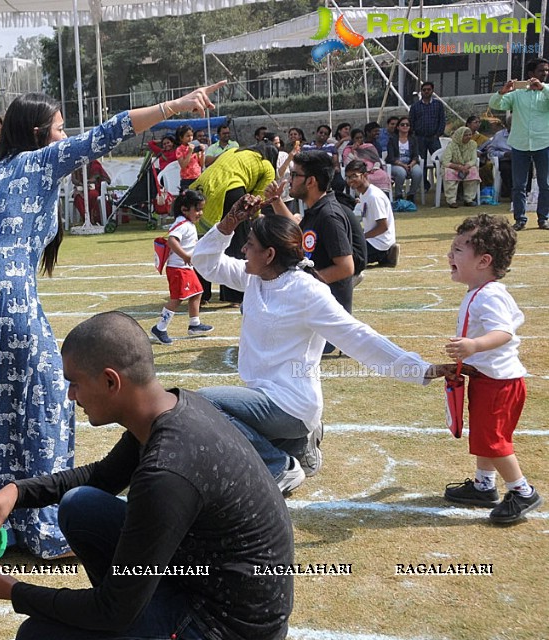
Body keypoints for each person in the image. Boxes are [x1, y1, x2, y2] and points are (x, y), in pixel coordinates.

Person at [0, 83, 224, 558]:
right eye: (59, 127)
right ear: (39, 133)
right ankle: (46, 529)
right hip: (7, 295)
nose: (65, 134)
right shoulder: (40, 160)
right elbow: (109, 132)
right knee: (51, 399)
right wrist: (176, 106)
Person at [0, 310, 295, 640]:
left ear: (110, 381)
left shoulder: (166, 470)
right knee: (80, 505)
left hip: (225, 635)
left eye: (75, 383)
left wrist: (15, 591)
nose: (71, 395)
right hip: (208, 585)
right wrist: (16, 492)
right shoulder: (169, 410)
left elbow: (112, 610)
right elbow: (101, 476)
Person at [193, 199, 449, 492]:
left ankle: (280, 467)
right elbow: (205, 262)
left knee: (203, 403)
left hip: (290, 404)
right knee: (224, 428)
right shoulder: (254, 277)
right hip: (265, 398)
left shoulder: (307, 291)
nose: (243, 250)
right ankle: (300, 444)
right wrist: (228, 224)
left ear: (269, 254)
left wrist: (419, 369)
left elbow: (359, 336)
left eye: (249, 244)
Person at [442, 214, 542, 522]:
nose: (450, 255)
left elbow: (504, 332)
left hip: (500, 384)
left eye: (458, 250)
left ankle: (523, 491)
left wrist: (474, 347)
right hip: (489, 379)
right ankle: (485, 485)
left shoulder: (490, 295)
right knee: (485, 434)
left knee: (494, 439)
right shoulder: (480, 291)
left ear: (484, 260)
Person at [271, 151, 357, 355]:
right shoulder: (318, 209)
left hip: (324, 322)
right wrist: (276, 201)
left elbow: (346, 267)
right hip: (312, 311)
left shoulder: (329, 216)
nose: (289, 180)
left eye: (294, 175)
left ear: (310, 181)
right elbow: (300, 232)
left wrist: (304, 284)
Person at [189, 141, 279, 305]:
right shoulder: (267, 166)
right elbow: (258, 198)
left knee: (207, 239)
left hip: (200, 188)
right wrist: (255, 219)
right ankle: (234, 295)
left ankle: (200, 293)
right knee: (237, 242)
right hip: (231, 191)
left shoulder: (234, 151)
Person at [489, 57, 549, 230]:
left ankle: (543, 218)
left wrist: (542, 87)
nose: (544, 73)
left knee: (545, 183)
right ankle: (520, 219)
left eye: (546, 70)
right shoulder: (517, 94)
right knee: (519, 185)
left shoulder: (547, 90)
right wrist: (503, 91)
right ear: (531, 74)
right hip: (520, 144)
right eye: (541, 70)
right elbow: (495, 104)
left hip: (543, 142)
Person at [150, 189, 214, 344]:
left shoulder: (187, 223)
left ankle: (195, 324)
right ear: (185, 209)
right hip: (178, 268)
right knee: (177, 299)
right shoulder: (182, 224)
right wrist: (185, 256)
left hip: (185, 269)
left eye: (201, 209)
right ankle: (160, 328)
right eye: (197, 209)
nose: (200, 213)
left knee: (197, 292)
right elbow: (172, 240)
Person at [346, 160, 399, 267]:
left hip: (379, 243)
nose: (350, 180)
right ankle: (385, 257)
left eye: (354, 176)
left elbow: (383, 227)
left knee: (348, 261)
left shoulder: (374, 197)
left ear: (365, 175)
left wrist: (361, 236)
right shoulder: (363, 194)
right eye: (348, 177)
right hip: (371, 240)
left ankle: (386, 254)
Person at [409, 81, 447, 197]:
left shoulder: (438, 105)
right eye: (424, 90)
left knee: (439, 161)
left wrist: (438, 134)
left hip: (433, 137)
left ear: (432, 90)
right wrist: (414, 135)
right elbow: (411, 121)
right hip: (420, 138)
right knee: (422, 162)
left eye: (428, 89)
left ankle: (443, 185)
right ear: (421, 91)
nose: (426, 92)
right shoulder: (415, 106)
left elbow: (442, 120)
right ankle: (424, 185)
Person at [387, 116, 425, 202]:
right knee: (401, 172)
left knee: (418, 172)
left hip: (410, 163)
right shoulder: (392, 140)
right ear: (398, 127)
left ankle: (411, 194)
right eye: (402, 124)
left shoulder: (413, 139)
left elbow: (416, 155)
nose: (405, 126)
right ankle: (398, 195)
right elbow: (391, 157)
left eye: (407, 125)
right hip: (396, 164)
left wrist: (411, 164)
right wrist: (403, 165)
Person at [342, 128, 391, 193]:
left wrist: (375, 168)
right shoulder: (348, 149)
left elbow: (377, 160)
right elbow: (349, 163)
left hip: (373, 169)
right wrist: (353, 150)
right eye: (357, 138)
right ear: (353, 139)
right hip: (359, 170)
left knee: (383, 175)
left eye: (361, 137)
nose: (359, 140)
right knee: (364, 177)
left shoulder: (369, 147)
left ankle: (384, 196)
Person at [442, 125, 481, 208]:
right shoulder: (452, 145)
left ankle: (469, 199)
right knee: (449, 172)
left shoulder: (473, 144)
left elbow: (474, 159)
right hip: (453, 167)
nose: (468, 137)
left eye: (470, 135)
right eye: (466, 135)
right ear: (460, 136)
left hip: (466, 167)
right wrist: (459, 167)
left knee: (473, 170)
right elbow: (445, 161)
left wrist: (466, 166)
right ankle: (451, 200)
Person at [70, 159, 112, 225]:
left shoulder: (94, 163)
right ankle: (86, 219)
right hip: (80, 189)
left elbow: (95, 177)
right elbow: (73, 179)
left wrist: (87, 182)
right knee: (78, 198)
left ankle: (92, 217)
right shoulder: (76, 163)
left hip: (93, 188)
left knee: (93, 194)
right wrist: (81, 184)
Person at [174, 123, 203, 190]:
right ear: (181, 138)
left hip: (197, 177)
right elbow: (183, 165)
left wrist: (202, 152)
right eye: (187, 136)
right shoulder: (180, 149)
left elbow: (201, 164)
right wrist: (190, 152)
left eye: (191, 135)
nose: (190, 138)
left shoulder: (195, 145)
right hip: (187, 179)